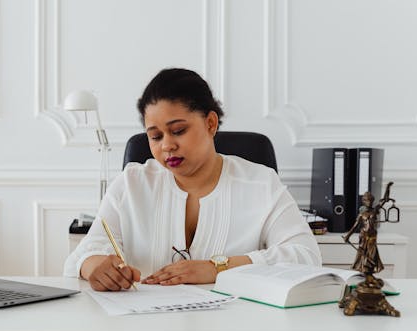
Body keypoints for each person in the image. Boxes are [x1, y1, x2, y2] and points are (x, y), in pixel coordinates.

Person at [64, 68, 322, 291]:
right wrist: (95, 266)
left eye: (178, 131)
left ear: (210, 123)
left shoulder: (261, 183)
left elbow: (305, 256)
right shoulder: (131, 183)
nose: (167, 146)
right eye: (155, 136)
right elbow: (83, 255)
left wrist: (218, 267)